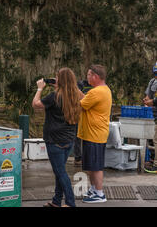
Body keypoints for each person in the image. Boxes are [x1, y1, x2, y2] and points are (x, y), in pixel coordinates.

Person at [32, 68, 83, 208]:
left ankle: (70, 203)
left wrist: (39, 88)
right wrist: (68, 86)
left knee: (61, 173)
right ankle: (56, 200)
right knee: (59, 171)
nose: (55, 79)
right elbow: (84, 97)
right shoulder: (75, 96)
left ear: (60, 80)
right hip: (69, 140)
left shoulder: (54, 96)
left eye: (57, 77)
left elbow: (35, 104)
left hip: (54, 141)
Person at [77, 64, 112, 203]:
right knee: (91, 164)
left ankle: (99, 193)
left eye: (88, 75)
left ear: (95, 76)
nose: (87, 78)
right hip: (93, 134)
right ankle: (93, 189)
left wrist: (71, 89)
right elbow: (85, 99)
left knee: (96, 166)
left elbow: (81, 104)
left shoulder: (96, 92)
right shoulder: (102, 90)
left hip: (94, 134)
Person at [73, 80, 93, 166]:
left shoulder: (100, 88)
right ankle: (78, 158)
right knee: (77, 137)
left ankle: (87, 157)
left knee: (88, 138)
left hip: (90, 117)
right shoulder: (81, 84)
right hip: (79, 115)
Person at [142, 62, 157, 173]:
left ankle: (156, 165)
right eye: (155, 73)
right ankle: (152, 159)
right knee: (152, 139)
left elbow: (153, 101)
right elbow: (148, 96)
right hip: (154, 115)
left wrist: (153, 102)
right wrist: (147, 100)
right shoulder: (152, 82)